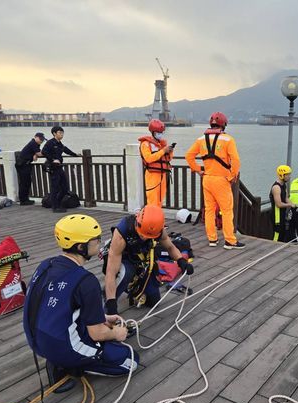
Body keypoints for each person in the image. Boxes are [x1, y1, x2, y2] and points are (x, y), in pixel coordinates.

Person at [23, 214, 138, 393]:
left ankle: (60, 359)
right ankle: (71, 365)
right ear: (80, 246)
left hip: (35, 339)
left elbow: (62, 305)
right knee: (130, 359)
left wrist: (103, 317)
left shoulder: (46, 264)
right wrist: (117, 333)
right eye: (96, 240)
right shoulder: (86, 281)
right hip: (61, 346)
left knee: (105, 337)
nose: (100, 242)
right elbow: (97, 332)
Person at [104, 205, 194, 311]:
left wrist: (181, 260)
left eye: (149, 236)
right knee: (125, 274)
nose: (145, 238)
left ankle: (134, 289)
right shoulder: (123, 232)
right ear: (137, 221)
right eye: (142, 235)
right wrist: (111, 303)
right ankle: (106, 300)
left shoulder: (158, 230)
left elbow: (170, 247)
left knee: (154, 301)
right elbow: (111, 271)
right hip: (124, 258)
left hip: (144, 262)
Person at [186, 112, 245, 249]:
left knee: (209, 210)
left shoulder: (201, 139)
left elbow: (189, 156)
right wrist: (231, 176)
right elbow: (236, 160)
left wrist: (198, 170)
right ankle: (230, 240)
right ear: (224, 124)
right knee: (226, 210)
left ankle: (212, 239)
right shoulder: (228, 139)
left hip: (207, 178)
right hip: (221, 180)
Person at [42, 126, 78, 213]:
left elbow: (65, 150)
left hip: (59, 168)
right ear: (54, 133)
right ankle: (55, 207)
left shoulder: (59, 143)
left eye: (62, 133)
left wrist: (75, 154)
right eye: (60, 133)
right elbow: (44, 152)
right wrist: (53, 160)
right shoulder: (50, 143)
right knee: (55, 188)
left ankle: (57, 203)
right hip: (53, 168)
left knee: (65, 188)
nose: (62, 135)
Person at [139, 119, 173, 207]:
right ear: (153, 132)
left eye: (161, 132)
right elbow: (148, 158)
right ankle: (151, 220)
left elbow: (169, 159)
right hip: (152, 176)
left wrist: (169, 151)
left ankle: (158, 219)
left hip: (162, 175)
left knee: (160, 201)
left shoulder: (161, 144)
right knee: (152, 201)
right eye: (159, 132)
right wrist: (163, 151)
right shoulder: (145, 144)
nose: (160, 134)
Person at [16, 132, 46, 205]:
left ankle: (25, 199)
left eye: (42, 140)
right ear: (35, 137)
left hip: (25, 165)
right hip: (23, 165)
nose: (41, 141)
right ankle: (23, 200)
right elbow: (39, 153)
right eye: (40, 139)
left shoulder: (36, 144)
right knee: (24, 183)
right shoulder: (33, 143)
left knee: (27, 183)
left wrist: (35, 154)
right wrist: (47, 153)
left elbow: (36, 154)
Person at [270, 165, 295, 242]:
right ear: (282, 175)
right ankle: (272, 248)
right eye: (287, 175)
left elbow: (286, 198)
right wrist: (289, 205)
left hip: (283, 214)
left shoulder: (284, 185)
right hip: (277, 215)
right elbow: (279, 204)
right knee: (277, 235)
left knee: (282, 234)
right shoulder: (276, 188)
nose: (289, 177)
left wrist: (293, 204)